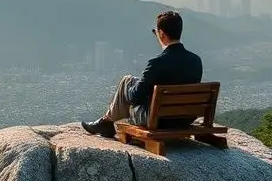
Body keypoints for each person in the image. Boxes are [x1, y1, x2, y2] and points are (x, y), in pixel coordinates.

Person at [81, 10, 203, 138]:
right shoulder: (196, 61)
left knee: (126, 81)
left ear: (161, 34)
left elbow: (134, 98)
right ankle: (106, 121)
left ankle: (106, 121)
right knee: (132, 80)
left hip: (158, 120)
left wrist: (128, 88)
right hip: (184, 119)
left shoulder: (157, 63)